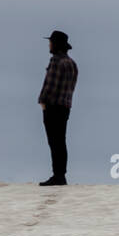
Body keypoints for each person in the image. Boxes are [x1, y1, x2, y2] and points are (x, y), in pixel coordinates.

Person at [38, 30, 78, 185]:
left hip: (53, 107)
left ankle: (58, 176)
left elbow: (50, 85)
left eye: (51, 42)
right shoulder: (72, 63)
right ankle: (61, 174)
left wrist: (42, 101)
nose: (49, 44)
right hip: (65, 107)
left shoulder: (56, 61)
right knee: (61, 141)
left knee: (54, 141)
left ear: (56, 45)